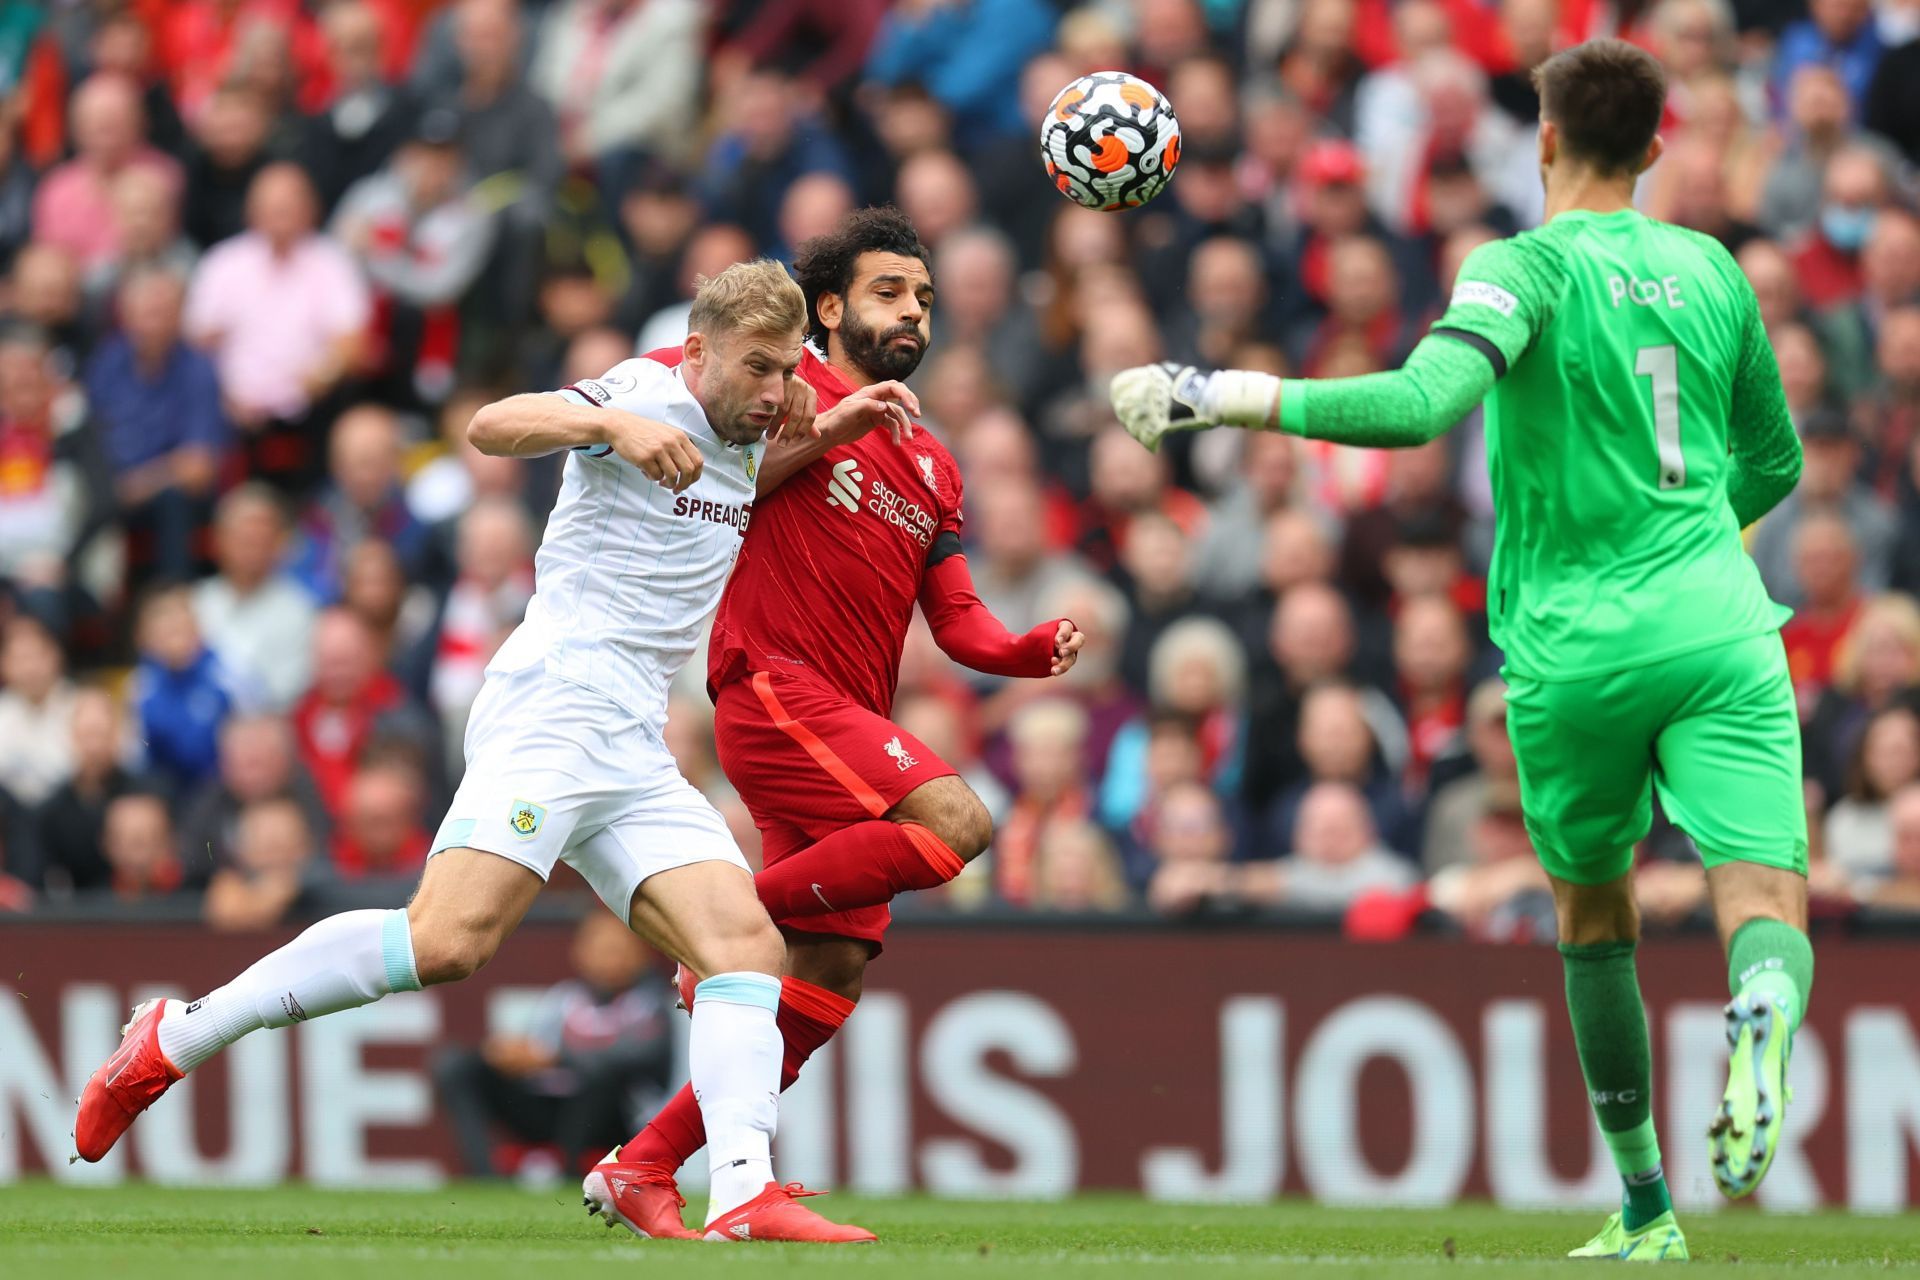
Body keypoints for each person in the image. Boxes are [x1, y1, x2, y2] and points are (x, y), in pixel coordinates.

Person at [1113, 39, 1812, 1259]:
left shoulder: (1521, 265)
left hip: (1571, 647)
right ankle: (1765, 1003)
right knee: (1761, 892)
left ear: (1543, 141)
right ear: (1655, 149)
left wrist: (1220, 391)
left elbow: (1418, 406)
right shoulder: (1713, 265)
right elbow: (1780, 460)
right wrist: (1708, 540)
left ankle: (1648, 1206)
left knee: (1596, 921)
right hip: (1719, 623)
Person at [73, 260, 916, 1245]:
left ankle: (738, 1190)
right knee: (447, 942)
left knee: (743, 945)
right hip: (553, 710)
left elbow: (722, 490)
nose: (778, 392)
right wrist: (605, 423)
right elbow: (490, 424)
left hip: (633, 738)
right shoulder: (643, 395)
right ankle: (173, 1034)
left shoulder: (744, 435)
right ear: (698, 354)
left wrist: (829, 435)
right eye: (759, 368)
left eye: (787, 371)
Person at [602, 208, 1084, 1235]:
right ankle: (720, 929)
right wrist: (829, 426)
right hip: (774, 685)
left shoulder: (935, 463)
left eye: (920, 295)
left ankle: (645, 1163)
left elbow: (954, 619)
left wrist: (1022, 651)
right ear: (829, 306)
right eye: (886, 290)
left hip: (846, 720)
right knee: (958, 822)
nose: (911, 309)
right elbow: (727, 492)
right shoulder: (778, 389)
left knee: (832, 969)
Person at [431, 912, 674, 1181]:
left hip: (617, 1119)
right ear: (580, 952)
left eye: (618, 950)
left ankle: (567, 1177)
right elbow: (536, 1054)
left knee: (599, 1078)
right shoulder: (564, 999)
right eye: (600, 949)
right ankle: (484, 1176)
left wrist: (555, 1058)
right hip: (554, 1108)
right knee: (457, 1065)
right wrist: (509, 1055)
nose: (609, 960)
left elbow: (633, 1060)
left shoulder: (649, 1005)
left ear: (641, 955)